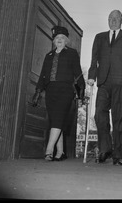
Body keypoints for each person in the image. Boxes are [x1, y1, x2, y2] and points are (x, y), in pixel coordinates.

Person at [87, 10, 122, 166]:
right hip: (104, 81)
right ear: (107, 20)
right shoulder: (99, 37)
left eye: (116, 18)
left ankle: (117, 154)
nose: (113, 21)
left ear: (121, 20)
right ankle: (105, 149)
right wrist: (92, 75)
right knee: (99, 114)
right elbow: (94, 59)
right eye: (110, 18)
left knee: (119, 117)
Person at [32, 26, 85, 161]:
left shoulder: (72, 53)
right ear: (54, 41)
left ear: (66, 40)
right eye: (57, 38)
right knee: (56, 120)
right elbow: (43, 75)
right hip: (51, 91)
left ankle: (49, 150)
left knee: (58, 118)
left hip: (65, 90)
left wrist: (81, 91)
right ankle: (60, 152)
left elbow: (77, 74)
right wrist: (37, 92)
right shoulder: (48, 56)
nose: (59, 40)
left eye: (62, 38)